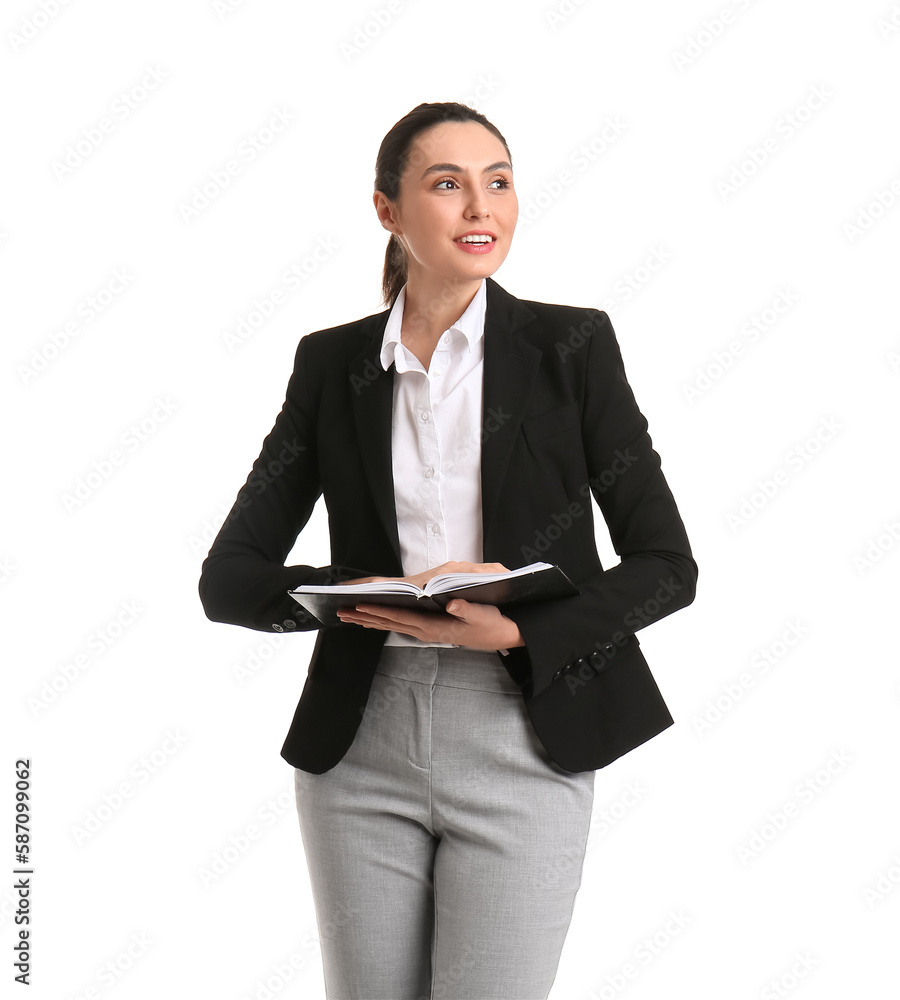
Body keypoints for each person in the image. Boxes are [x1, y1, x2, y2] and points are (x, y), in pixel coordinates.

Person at [199, 101, 698, 1000]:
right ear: (388, 210)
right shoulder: (332, 365)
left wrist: (519, 636)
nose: (481, 208)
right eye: (447, 184)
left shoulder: (571, 347)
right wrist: (369, 593)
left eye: (498, 183)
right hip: (361, 742)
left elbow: (668, 565)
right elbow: (230, 580)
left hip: (526, 731)